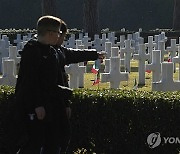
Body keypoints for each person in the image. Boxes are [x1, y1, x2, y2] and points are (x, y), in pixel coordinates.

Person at [15, 15, 73, 154]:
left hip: (52, 106)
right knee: (34, 144)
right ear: (50, 33)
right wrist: (37, 104)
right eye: (58, 33)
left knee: (54, 143)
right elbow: (29, 81)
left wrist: (66, 102)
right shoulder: (32, 51)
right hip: (36, 109)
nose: (59, 36)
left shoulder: (52, 51)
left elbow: (58, 79)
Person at [54, 20, 104, 153]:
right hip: (52, 102)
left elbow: (73, 54)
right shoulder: (46, 53)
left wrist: (94, 55)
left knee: (62, 137)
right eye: (63, 37)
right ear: (56, 35)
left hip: (60, 101)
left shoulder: (58, 50)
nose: (63, 40)